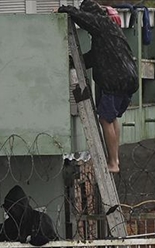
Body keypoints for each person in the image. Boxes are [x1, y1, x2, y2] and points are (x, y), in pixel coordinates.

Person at [58, 0, 139, 173]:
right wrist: (72, 62)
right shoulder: (110, 32)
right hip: (129, 79)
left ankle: (113, 162)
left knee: (105, 120)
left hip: (115, 81)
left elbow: (83, 18)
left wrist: (63, 9)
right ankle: (115, 158)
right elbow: (94, 57)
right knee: (112, 118)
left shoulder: (101, 23)